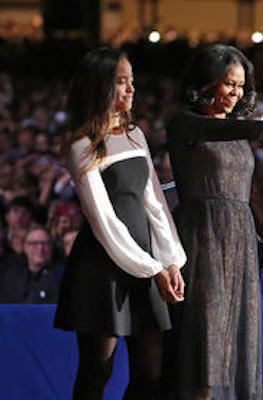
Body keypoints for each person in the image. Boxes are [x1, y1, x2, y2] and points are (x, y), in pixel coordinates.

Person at [164, 44, 263, 399]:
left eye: (241, 86)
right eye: (228, 84)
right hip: (201, 243)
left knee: (237, 350)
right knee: (204, 352)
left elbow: (255, 204)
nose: (236, 93)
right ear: (206, 83)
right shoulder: (184, 123)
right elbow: (215, 130)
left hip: (241, 252)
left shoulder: (239, 135)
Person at [53, 47, 187, 400]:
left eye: (132, 81)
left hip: (149, 263)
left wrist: (171, 259)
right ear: (100, 87)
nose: (131, 89)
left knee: (151, 376)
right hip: (102, 269)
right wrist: (153, 268)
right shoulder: (82, 144)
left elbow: (155, 203)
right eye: (121, 82)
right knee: (98, 372)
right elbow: (105, 222)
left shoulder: (135, 135)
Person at [0, 225, 58, 303]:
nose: (40, 248)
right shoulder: (9, 278)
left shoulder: (60, 277)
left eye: (45, 243)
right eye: (34, 243)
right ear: (25, 247)